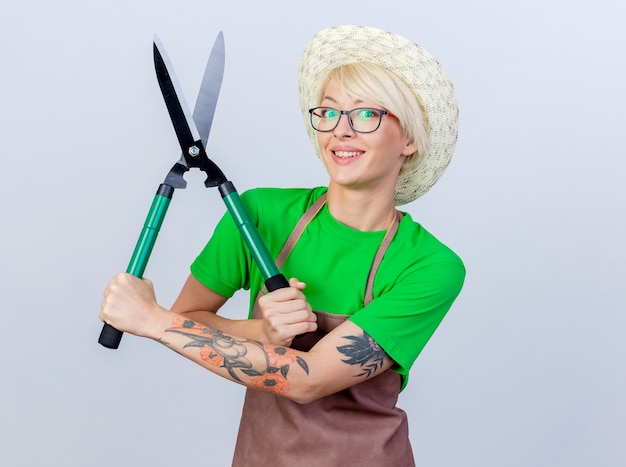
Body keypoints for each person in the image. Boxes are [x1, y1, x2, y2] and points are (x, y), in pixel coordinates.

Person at [100, 25, 465, 466]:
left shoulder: (429, 265)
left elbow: (307, 379)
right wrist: (263, 332)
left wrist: (151, 320)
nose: (341, 131)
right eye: (329, 113)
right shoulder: (259, 215)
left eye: (366, 114)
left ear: (408, 139)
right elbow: (189, 320)